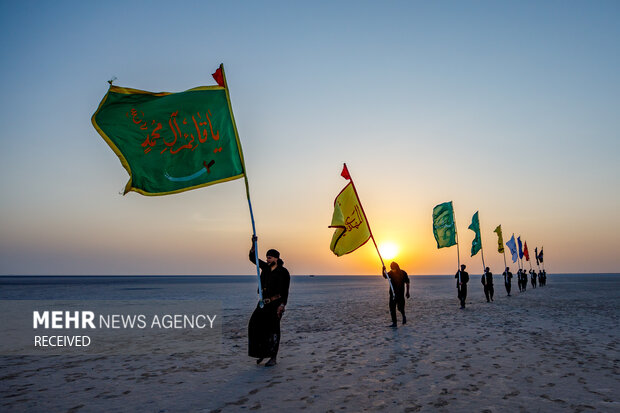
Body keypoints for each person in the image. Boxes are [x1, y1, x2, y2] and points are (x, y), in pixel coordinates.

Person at [248, 236, 290, 367]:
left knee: (273, 330)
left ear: (276, 258)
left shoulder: (283, 272)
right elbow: (252, 258)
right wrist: (253, 243)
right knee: (254, 326)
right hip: (263, 303)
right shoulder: (265, 268)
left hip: (276, 304)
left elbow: (285, 290)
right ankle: (262, 352)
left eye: (270, 257)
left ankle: (273, 357)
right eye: (266, 257)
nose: (267, 259)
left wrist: (282, 305)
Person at [383, 261, 410, 327]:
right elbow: (385, 276)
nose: (391, 268)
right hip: (393, 294)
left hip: (400, 294)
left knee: (400, 308)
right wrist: (383, 270)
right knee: (392, 308)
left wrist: (407, 292)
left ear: (395, 266)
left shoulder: (403, 273)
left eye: (392, 267)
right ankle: (395, 323)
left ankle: (403, 316)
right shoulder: (392, 272)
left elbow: (407, 282)